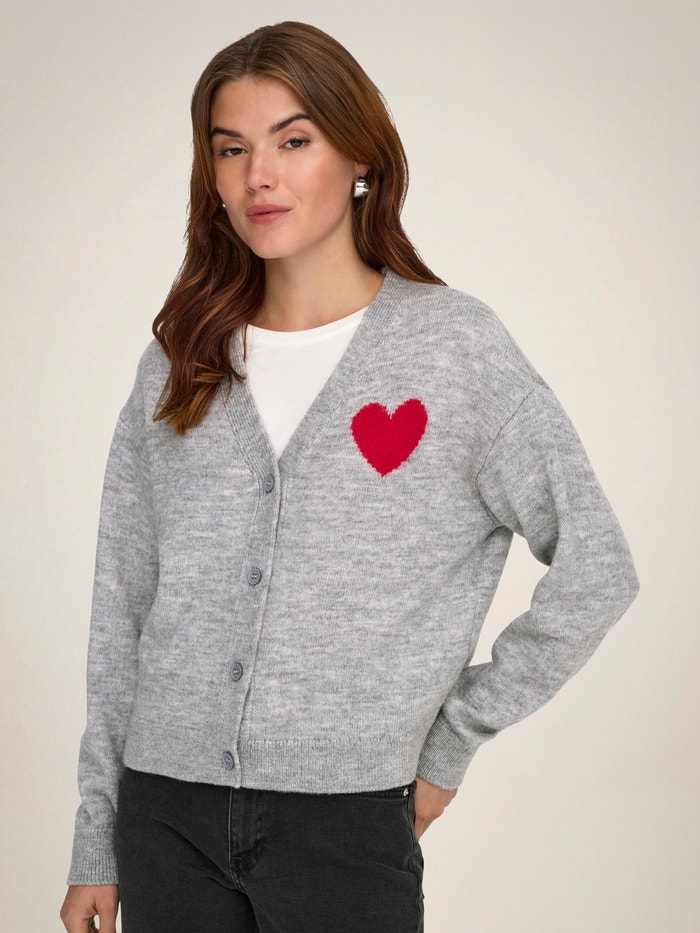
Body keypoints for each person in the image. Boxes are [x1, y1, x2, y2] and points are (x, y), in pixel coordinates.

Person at [60, 20, 639, 933]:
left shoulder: (454, 349)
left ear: (360, 156)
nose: (259, 175)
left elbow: (598, 569)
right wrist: (97, 833)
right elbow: (121, 601)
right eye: (232, 149)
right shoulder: (182, 357)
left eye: (293, 141)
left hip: (346, 823)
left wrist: (449, 745)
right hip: (163, 814)